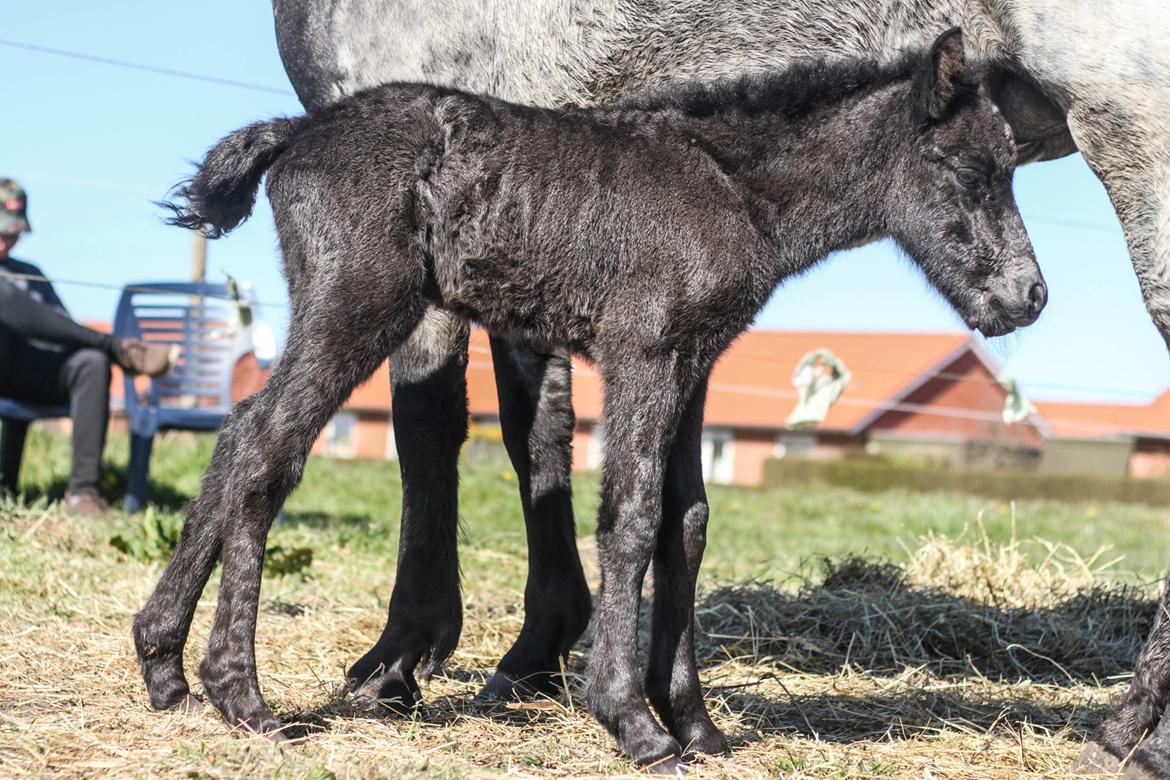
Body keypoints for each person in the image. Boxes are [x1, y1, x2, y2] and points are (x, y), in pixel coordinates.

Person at [0, 178, 172, 516]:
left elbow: (64, 327)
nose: (7, 242)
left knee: (91, 362)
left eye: (13, 234)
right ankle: (116, 347)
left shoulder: (30, 273)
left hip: (35, 373)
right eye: (2, 233)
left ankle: (83, 495)